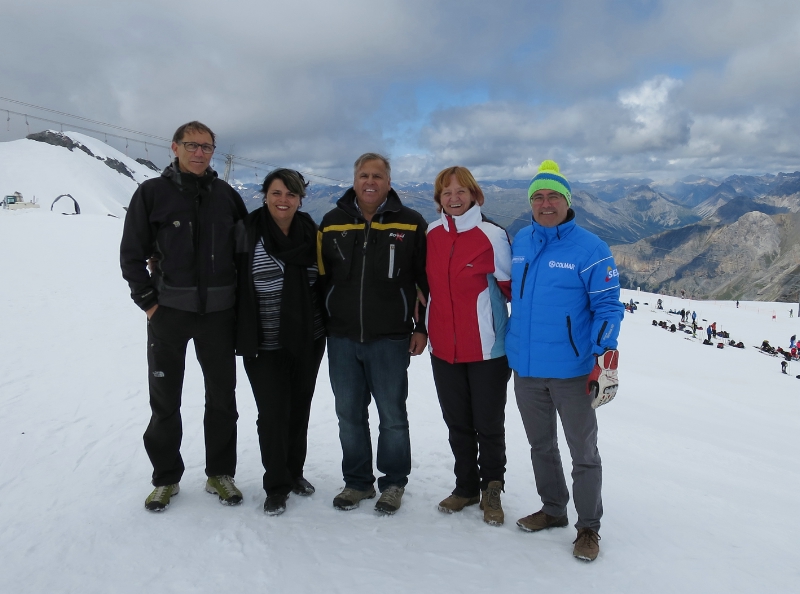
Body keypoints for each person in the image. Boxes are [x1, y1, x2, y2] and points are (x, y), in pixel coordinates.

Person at [120, 121, 248, 511]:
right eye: (192, 145)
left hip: (218, 316)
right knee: (164, 400)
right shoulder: (152, 194)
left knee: (222, 398)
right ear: (175, 147)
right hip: (169, 316)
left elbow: (243, 254)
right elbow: (131, 254)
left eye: (207, 147)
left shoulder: (226, 197)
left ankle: (219, 473)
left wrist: (240, 305)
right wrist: (149, 303)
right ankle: (165, 478)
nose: (199, 153)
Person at [507, 160, 624, 562]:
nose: (545, 203)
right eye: (538, 197)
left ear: (568, 201)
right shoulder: (521, 241)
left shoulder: (591, 248)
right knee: (541, 446)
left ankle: (588, 527)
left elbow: (609, 306)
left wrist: (603, 354)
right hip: (526, 369)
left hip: (573, 371)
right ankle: (554, 509)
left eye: (553, 196)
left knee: (583, 453)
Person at [317, 153, 429, 515]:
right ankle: (357, 482)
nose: (370, 181)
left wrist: (421, 327)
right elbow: (320, 278)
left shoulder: (410, 223)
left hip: (391, 337)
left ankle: (393, 483)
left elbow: (423, 282)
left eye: (377, 176)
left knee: (392, 416)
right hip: (342, 337)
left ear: (388, 182)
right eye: (364, 175)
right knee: (349, 415)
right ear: (354, 180)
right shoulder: (332, 223)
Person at [234, 169, 326, 516]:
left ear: (300, 199)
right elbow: (224, 274)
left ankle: (294, 472)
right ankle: (276, 485)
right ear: (265, 196)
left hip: (308, 339)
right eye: (276, 193)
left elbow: (329, 279)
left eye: (291, 194)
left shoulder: (312, 233)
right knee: (273, 414)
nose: (283, 200)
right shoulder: (245, 232)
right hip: (264, 343)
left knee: (299, 409)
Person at [425, 166, 512, 525]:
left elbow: (512, 289)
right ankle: (465, 487)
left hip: (487, 349)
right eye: (446, 193)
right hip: (443, 349)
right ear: (439, 199)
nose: (454, 198)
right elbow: (425, 286)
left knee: (488, 423)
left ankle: (492, 488)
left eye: (461, 191)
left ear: (475, 195)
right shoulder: (431, 234)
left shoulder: (492, 235)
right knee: (457, 423)